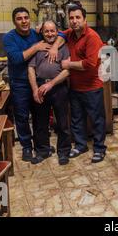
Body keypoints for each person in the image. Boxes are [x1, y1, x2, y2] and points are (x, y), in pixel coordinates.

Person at [3, 7, 65, 162]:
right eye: (19, 18)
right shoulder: (9, 38)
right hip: (20, 83)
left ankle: (40, 147)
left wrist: (56, 45)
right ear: (14, 21)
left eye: (26, 17)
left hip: (37, 82)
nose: (24, 21)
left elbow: (61, 34)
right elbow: (17, 58)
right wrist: (36, 47)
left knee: (39, 117)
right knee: (22, 116)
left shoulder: (36, 33)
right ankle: (26, 147)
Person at [61, 4, 107, 163]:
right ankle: (81, 145)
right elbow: (59, 34)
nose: (74, 21)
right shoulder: (70, 34)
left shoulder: (92, 37)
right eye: (71, 18)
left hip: (92, 86)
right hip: (75, 86)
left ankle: (100, 149)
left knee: (96, 119)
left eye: (78, 17)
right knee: (77, 118)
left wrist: (68, 65)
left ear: (85, 19)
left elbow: (89, 63)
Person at [28, 20, 72, 165]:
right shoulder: (37, 47)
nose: (50, 34)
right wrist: (35, 89)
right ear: (42, 32)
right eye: (46, 31)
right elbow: (31, 69)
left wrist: (51, 84)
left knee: (63, 122)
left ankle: (64, 152)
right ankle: (43, 151)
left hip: (59, 87)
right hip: (40, 87)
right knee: (40, 122)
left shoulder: (64, 47)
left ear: (57, 31)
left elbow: (67, 70)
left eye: (52, 30)